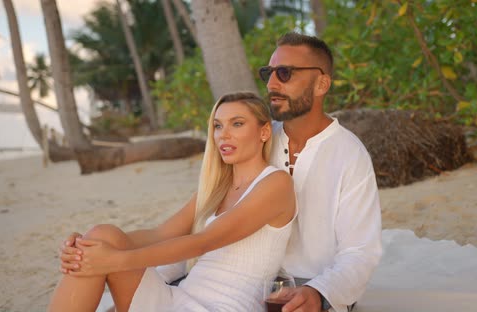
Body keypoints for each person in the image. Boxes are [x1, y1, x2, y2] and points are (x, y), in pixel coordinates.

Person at [49, 92, 297, 312]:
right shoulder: (215, 188)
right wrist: (86, 245)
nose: (224, 135)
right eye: (218, 126)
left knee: (101, 247)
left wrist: (114, 260)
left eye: (238, 124)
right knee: (101, 235)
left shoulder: (276, 184)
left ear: (264, 132)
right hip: (177, 298)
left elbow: (203, 242)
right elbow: (161, 234)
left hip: (221, 306)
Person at [258, 32, 382, 312]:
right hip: (253, 285)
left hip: (321, 291)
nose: (271, 83)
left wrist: (317, 292)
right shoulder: (260, 142)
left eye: (285, 73)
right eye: (268, 73)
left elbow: (360, 252)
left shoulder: (350, 153)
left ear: (321, 83)